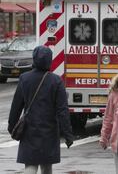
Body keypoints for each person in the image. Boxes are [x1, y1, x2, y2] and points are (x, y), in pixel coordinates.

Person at [8, 45, 73, 174]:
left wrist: (12, 127)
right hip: (49, 130)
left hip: (29, 130)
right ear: (50, 60)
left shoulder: (24, 78)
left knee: (30, 165)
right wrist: (68, 134)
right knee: (47, 166)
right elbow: (62, 111)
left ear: (34, 59)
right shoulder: (56, 81)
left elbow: (16, 106)